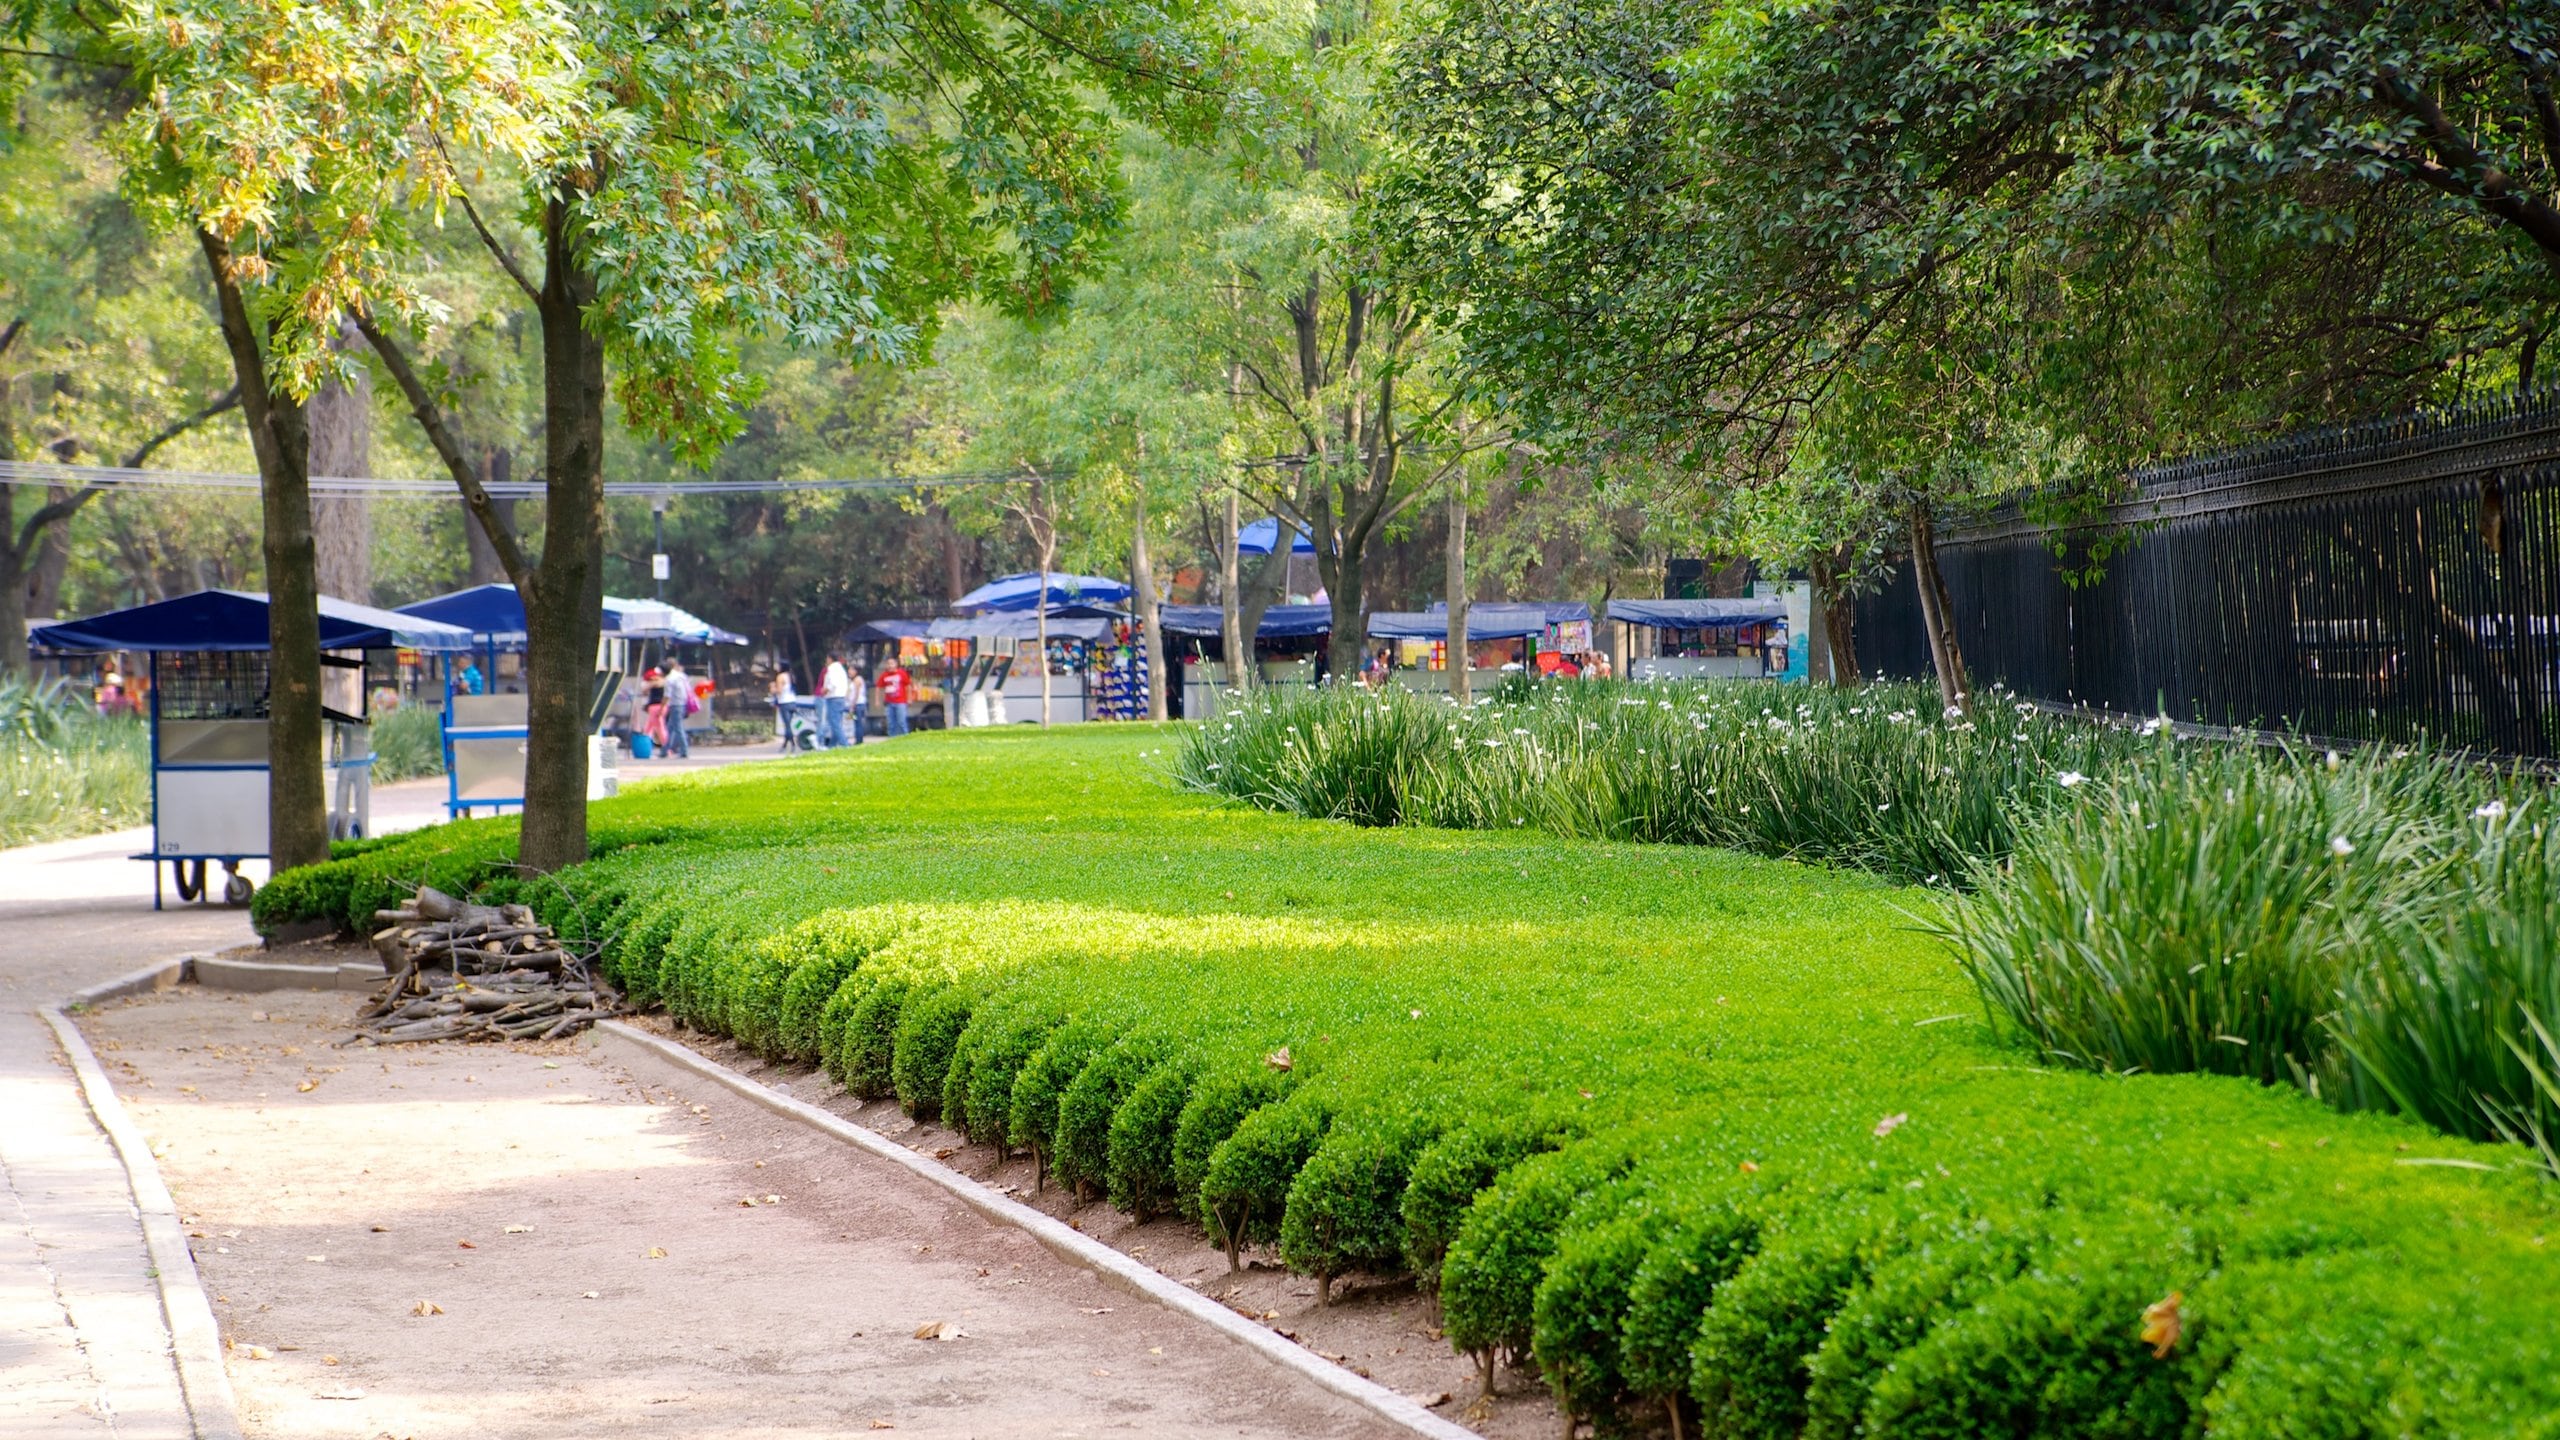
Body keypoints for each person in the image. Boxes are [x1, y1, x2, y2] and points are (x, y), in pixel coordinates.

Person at [663, 659, 694, 758]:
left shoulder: (670, 678)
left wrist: (662, 706)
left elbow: (667, 695)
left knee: (678, 729)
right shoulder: (682, 676)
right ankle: (664, 750)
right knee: (669, 728)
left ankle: (684, 751)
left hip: (675, 705)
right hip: (683, 704)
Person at [819, 653, 851, 748]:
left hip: (833, 697)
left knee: (834, 722)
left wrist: (825, 690)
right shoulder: (841, 669)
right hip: (841, 697)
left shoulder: (832, 668)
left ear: (830, 659)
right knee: (837, 722)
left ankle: (845, 744)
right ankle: (832, 745)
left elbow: (832, 684)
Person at [879, 657, 914, 736]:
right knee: (891, 722)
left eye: (892, 663)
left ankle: (905, 737)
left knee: (901, 721)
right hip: (889, 702)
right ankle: (892, 738)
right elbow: (879, 687)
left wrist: (909, 698)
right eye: (888, 664)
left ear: (896, 664)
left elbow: (908, 686)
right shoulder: (884, 675)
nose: (890, 666)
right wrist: (879, 700)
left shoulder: (901, 673)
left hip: (900, 702)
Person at [641, 667, 670, 756]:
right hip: (659, 707)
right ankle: (644, 747)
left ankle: (667, 748)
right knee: (648, 728)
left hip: (656, 707)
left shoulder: (658, 682)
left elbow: (644, 689)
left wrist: (648, 682)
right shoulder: (663, 681)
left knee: (660, 729)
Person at [846, 661, 869, 744]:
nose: (849, 671)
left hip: (858, 705)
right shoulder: (851, 681)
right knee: (856, 722)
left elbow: (856, 693)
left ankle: (859, 740)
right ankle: (858, 739)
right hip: (855, 705)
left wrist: (852, 706)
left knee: (858, 723)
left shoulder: (858, 680)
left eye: (851, 669)